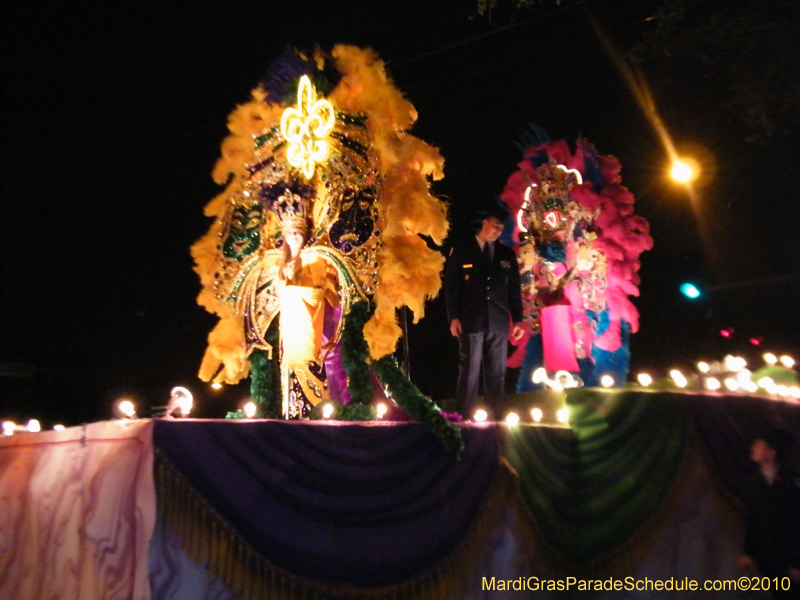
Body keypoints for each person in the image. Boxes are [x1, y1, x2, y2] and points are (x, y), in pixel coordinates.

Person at [446, 209, 524, 418]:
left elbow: (513, 290)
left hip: (498, 320)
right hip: (471, 320)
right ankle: (464, 416)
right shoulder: (462, 250)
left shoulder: (506, 254)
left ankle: (495, 416)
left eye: (501, 227)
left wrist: (517, 319)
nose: (498, 230)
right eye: (495, 225)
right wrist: (453, 316)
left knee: (497, 372)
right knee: (470, 371)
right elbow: (452, 287)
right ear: (484, 224)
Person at [738, 430, 800, 599]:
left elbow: (797, 523)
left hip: (790, 556)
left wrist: (796, 562)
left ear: (772, 452)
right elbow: (753, 519)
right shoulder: (753, 483)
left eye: (759, 445)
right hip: (767, 556)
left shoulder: (792, 482)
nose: (753, 448)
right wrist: (748, 552)